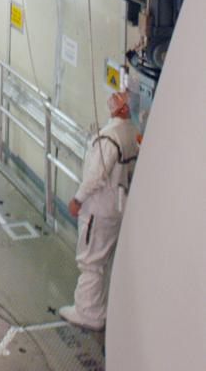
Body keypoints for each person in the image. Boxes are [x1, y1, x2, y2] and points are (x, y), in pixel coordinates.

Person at [59, 89, 138, 330]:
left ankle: (88, 312)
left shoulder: (109, 137)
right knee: (104, 260)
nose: (115, 97)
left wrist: (77, 199)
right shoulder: (134, 133)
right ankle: (100, 307)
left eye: (121, 97)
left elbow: (95, 176)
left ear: (124, 108)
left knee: (90, 261)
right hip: (118, 208)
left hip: (98, 209)